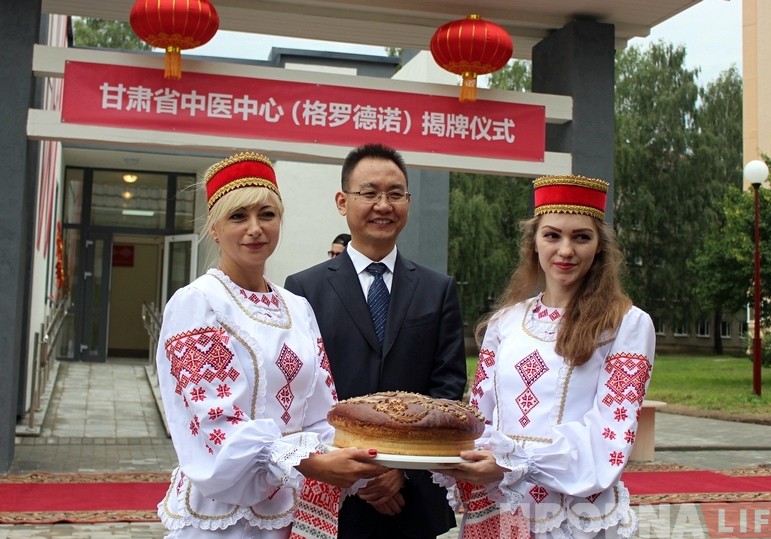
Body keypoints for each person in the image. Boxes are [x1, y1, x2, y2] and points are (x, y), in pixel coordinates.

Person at [155, 151, 386, 538]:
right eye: (238, 216)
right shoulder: (199, 303)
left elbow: (321, 412)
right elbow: (216, 424)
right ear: (214, 227)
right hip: (224, 515)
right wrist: (308, 463)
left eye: (267, 215)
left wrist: (360, 457)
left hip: (293, 509)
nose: (255, 229)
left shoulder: (296, 307)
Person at [435, 175, 656, 538]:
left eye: (581, 237)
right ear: (533, 243)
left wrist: (515, 463)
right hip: (500, 504)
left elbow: (610, 434)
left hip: (574, 514)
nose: (565, 250)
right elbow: (480, 417)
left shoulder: (625, 324)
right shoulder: (505, 322)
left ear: (599, 247)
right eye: (552, 235)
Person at [284, 143, 467, 539]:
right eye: (369, 193)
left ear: (408, 202)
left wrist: (401, 468)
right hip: (332, 491)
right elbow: (300, 390)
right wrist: (358, 472)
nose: (383, 205)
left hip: (412, 497)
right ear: (342, 201)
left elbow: (448, 387)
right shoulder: (303, 290)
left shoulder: (437, 289)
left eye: (395, 194)